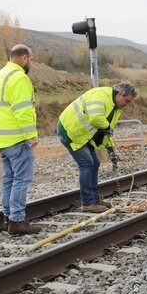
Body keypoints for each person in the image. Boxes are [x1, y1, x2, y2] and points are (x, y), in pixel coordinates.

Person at [57, 82, 138, 213]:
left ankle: (94, 199)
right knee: (87, 164)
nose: (127, 104)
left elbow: (107, 131)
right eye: (127, 100)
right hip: (71, 131)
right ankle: (88, 203)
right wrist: (107, 127)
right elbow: (96, 118)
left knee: (95, 163)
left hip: (83, 135)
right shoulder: (100, 95)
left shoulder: (116, 108)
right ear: (119, 94)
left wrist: (110, 148)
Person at [0, 44, 41, 235]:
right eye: (31, 59)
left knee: (9, 179)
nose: (31, 63)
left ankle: (7, 219)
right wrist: (31, 135)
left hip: (1, 138)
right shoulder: (19, 78)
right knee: (21, 179)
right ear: (25, 58)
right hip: (16, 137)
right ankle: (17, 221)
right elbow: (23, 110)